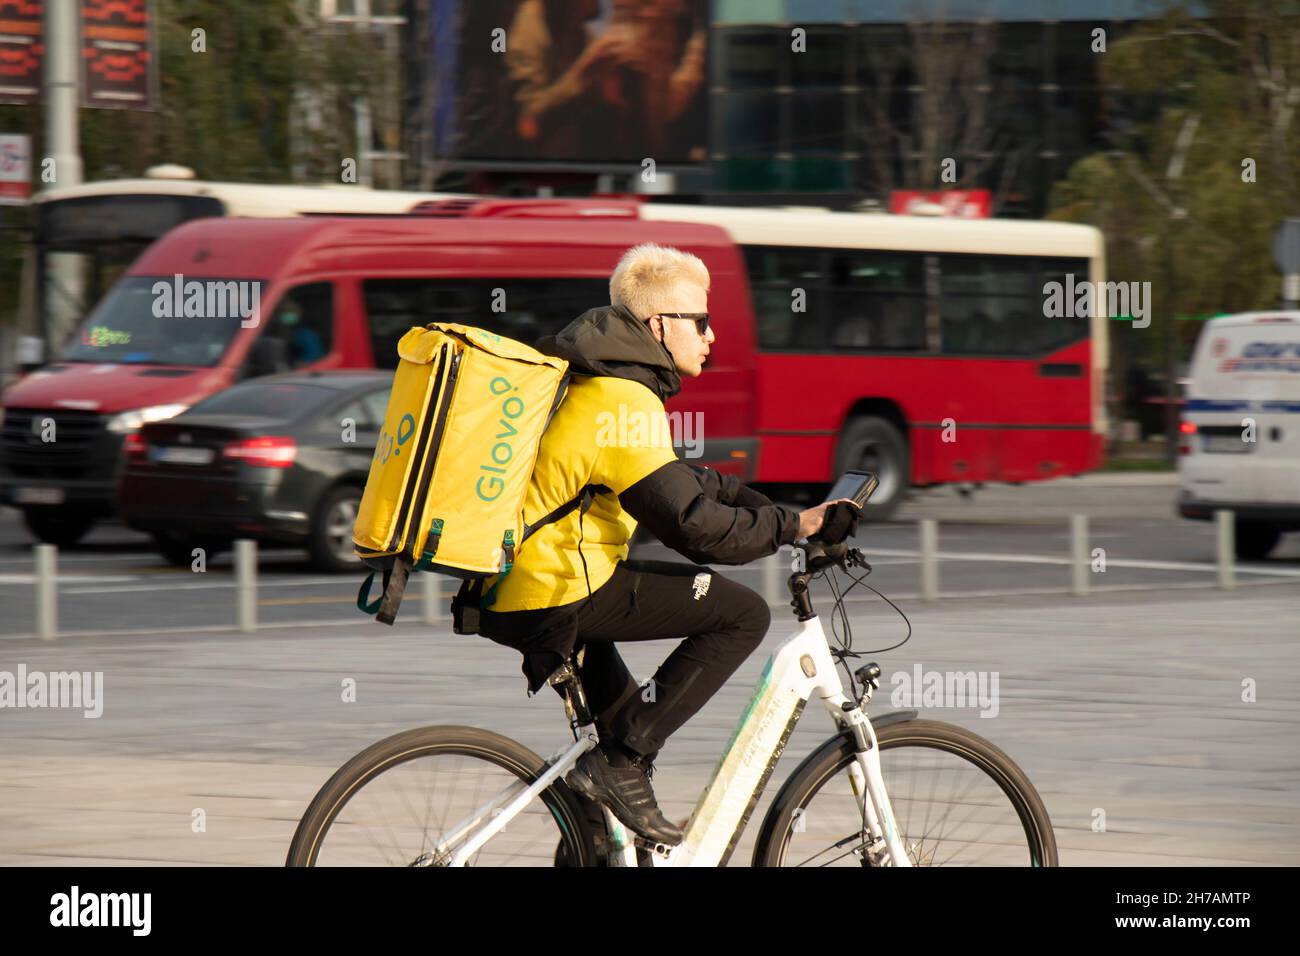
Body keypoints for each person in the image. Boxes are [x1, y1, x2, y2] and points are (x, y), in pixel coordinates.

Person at [476, 243, 852, 845]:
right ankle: (618, 765)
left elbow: (687, 482)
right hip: (557, 589)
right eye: (700, 322)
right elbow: (693, 527)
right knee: (741, 614)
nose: (712, 337)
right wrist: (794, 530)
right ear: (659, 325)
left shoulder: (598, 383)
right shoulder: (623, 400)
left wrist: (781, 513)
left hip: (524, 586)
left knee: (623, 737)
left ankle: (601, 830)